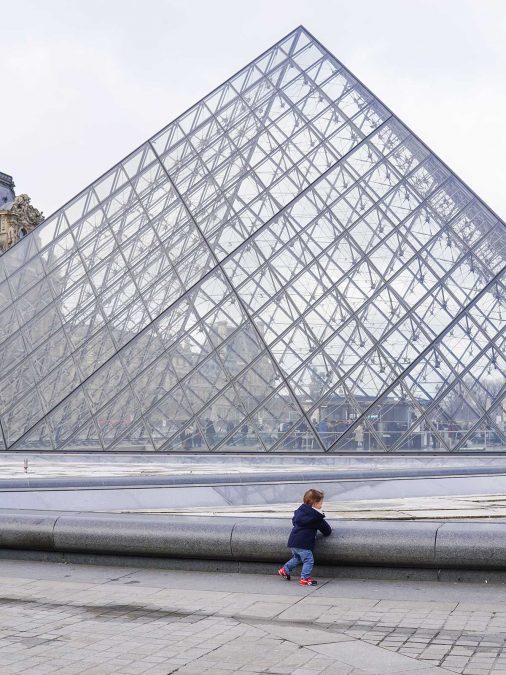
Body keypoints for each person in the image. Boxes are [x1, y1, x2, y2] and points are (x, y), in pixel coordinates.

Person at [278, 488, 332, 586]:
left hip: (293, 541)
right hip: (304, 543)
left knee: (297, 558)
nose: (322, 505)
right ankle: (305, 578)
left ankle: (284, 570)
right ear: (315, 503)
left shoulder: (300, 512)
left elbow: (294, 522)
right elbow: (326, 530)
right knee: (308, 560)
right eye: (321, 502)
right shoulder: (316, 517)